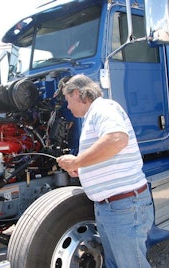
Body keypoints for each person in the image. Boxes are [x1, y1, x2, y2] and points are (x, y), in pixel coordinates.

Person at [56, 74, 154, 268]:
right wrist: (81, 167)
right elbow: (105, 155)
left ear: (77, 93)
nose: (68, 107)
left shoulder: (103, 108)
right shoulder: (92, 116)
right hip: (111, 208)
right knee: (115, 263)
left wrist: (77, 161)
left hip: (123, 207)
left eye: (68, 101)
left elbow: (116, 139)